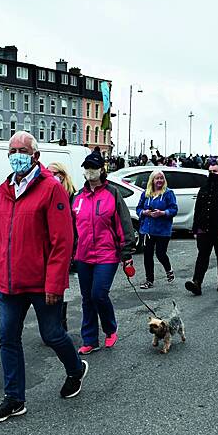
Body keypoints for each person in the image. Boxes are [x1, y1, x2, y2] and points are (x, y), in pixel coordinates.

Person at [0, 131, 87, 423]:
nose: (16, 154)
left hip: (42, 283)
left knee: (52, 334)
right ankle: (14, 399)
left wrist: (55, 282)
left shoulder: (51, 189)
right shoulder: (4, 190)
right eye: (12, 150)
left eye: (22, 149)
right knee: (8, 339)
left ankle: (75, 368)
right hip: (9, 282)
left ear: (35, 156)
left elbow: (62, 241)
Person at [72, 151, 136, 354]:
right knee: (86, 298)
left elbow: (124, 224)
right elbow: (72, 228)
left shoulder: (112, 194)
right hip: (83, 255)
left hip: (106, 255)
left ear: (102, 170)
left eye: (93, 167)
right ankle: (90, 339)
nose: (89, 171)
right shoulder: (78, 197)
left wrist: (126, 253)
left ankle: (110, 328)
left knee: (98, 294)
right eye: (87, 167)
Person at [185, 162, 218, 295]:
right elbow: (198, 208)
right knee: (202, 256)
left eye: (215, 171)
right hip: (203, 229)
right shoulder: (204, 187)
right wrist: (195, 229)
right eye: (210, 171)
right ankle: (197, 282)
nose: (212, 174)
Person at [47, 161, 78, 329]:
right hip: (49, 246)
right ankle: (55, 323)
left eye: (54, 173)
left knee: (57, 285)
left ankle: (59, 324)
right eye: (48, 173)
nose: (51, 176)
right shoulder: (47, 192)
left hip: (66, 246)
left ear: (62, 174)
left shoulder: (71, 194)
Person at [136, 170, 178, 290]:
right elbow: (139, 208)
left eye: (161, 178)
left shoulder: (168, 193)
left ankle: (168, 269)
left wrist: (163, 213)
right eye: (157, 178)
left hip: (162, 230)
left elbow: (174, 209)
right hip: (147, 229)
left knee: (160, 253)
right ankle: (149, 279)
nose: (159, 181)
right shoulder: (146, 193)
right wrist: (144, 212)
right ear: (152, 180)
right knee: (147, 255)